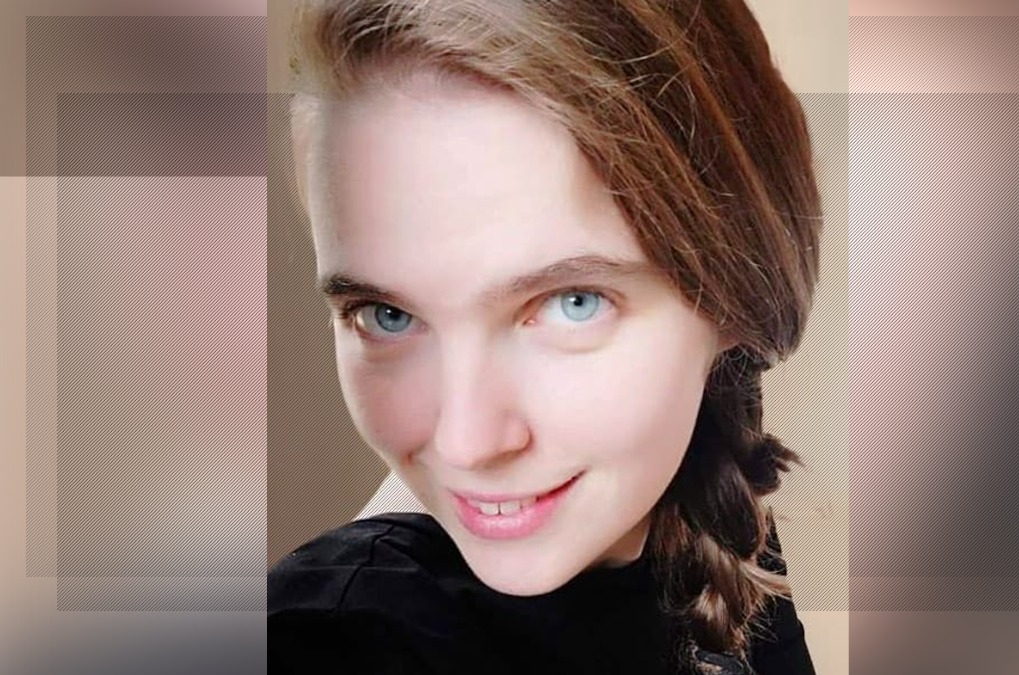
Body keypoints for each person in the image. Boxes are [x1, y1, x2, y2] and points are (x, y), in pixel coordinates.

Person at [269, 0, 822, 673]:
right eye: (386, 315)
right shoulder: (334, 638)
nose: (466, 444)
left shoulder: (705, 489)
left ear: (740, 291)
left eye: (571, 303)